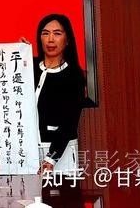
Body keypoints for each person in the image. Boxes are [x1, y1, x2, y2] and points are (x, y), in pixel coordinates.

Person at [32, 13, 86, 175]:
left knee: (60, 191)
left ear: (67, 40)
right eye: (45, 33)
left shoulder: (74, 75)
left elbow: (69, 121)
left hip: (60, 154)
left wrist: (51, 158)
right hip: (29, 152)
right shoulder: (29, 67)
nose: (50, 39)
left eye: (57, 33)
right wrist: (18, 53)